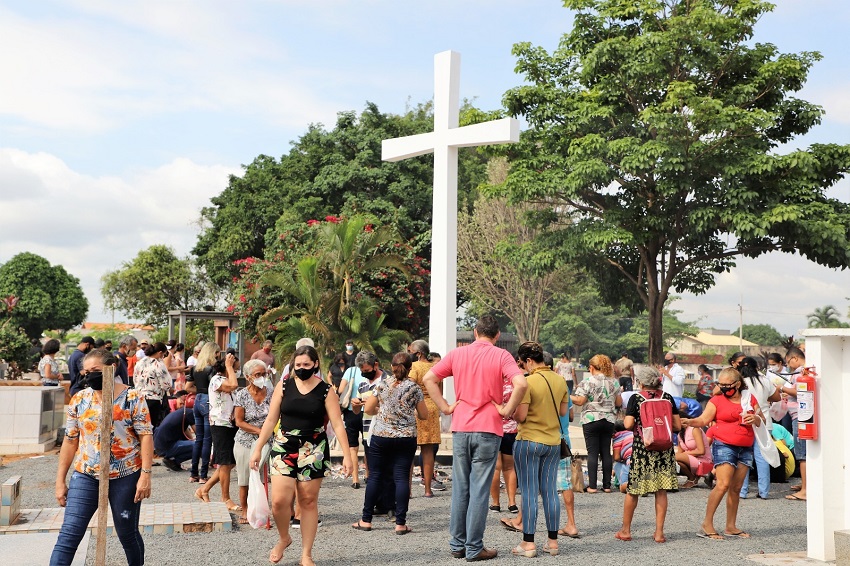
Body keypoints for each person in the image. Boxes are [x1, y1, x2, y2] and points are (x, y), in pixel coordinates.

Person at [422, 314, 527, 562]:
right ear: (497, 335)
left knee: (461, 487)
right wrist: (506, 409)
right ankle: (474, 547)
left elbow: (429, 379)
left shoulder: (457, 354)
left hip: (461, 426)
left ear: (475, 332)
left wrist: (445, 407)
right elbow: (521, 384)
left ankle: (457, 544)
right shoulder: (502, 355)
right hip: (489, 428)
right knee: (480, 490)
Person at [250, 345, 353, 566]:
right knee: (279, 501)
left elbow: (337, 424)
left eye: (306, 364)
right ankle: (284, 538)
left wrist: (347, 455)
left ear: (315, 364)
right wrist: (258, 448)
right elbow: (271, 419)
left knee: (308, 501)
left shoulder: (326, 390)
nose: (302, 368)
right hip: (284, 444)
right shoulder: (284, 385)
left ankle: (306, 554)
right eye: (298, 364)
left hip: (313, 447)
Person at [50, 349, 152, 566]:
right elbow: (70, 440)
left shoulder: (133, 398)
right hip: (86, 473)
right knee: (70, 533)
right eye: (86, 372)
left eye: (95, 370)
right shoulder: (80, 399)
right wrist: (60, 480)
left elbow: (145, 436)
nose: (90, 376)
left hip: (125, 473)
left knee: (127, 532)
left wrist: (145, 475)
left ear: (111, 368)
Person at [683, 367, 763, 540]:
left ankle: (731, 526)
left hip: (746, 446)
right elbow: (704, 419)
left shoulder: (749, 398)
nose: (724, 388)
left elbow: (761, 418)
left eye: (727, 385)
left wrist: (756, 419)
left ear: (738, 384)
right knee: (723, 484)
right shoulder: (716, 400)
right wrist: (690, 421)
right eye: (721, 384)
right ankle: (707, 524)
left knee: (736, 487)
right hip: (724, 444)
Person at [352, 352, 427, 534]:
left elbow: (368, 408)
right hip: (406, 437)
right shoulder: (414, 388)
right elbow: (424, 415)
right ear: (410, 368)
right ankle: (400, 524)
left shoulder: (382, 384)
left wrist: (383, 410)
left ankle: (366, 520)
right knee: (401, 478)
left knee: (375, 476)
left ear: (392, 366)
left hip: (381, 436)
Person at [507, 341, 568, 558]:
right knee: (550, 492)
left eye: (522, 363)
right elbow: (563, 412)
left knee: (529, 492)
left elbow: (521, 416)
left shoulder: (527, 382)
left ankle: (528, 543)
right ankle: (552, 542)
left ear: (529, 361)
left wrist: (511, 411)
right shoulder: (560, 380)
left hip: (529, 441)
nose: (522, 367)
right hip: (553, 443)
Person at [615, 366, 681, 543]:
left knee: (633, 490)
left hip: (643, 449)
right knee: (661, 491)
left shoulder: (636, 398)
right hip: (664, 449)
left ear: (641, 382)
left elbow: (628, 425)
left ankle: (626, 531)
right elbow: (677, 426)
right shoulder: (667, 397)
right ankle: (659, 533)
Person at [194, 352, 240, 512]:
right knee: (225, 463)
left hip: (230, 423)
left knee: (229, 462)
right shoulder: (217, 380)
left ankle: (204, 489)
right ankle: (225, 498)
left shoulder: (227, 379)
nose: (237, 371)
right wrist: (229, 366)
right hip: (220, 423)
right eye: (236, 368)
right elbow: (233, 386)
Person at [571, 354, 622, 493]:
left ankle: (592, 486)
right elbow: (619, 402)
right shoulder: (614, 382)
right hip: (609, 419)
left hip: (591, 419)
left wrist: (568, 396)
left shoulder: (588, 381)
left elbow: (580, 401)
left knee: (592, 452)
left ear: (592, 367)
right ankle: (607, 486)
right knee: (606, 451)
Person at [338, 351, 388, 489]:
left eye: (367, 370)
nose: (364, 374)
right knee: (372, 464)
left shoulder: (387, 381)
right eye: (362, 371)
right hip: (368, 431)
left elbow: (392, 408)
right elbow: (357, 411)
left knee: (384, 469)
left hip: (385, 430)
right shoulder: (362, 385)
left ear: (375, 365)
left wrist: (373, 406)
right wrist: (356, 405)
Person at [233, 359, 273, 524]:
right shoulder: (242, 394)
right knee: (244, 477)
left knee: (262, 476)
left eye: (264, 374)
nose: (262, 377)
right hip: (245, 439)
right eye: (258, 374)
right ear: (248, 377)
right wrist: (259, 431)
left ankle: (261, 509)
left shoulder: (271, 392)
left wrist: (265, 434)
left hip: (266, 440)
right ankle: (245, 509)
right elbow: (239, 421)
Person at [736, 357, 781, 499]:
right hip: (764, 422)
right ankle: (764, 492)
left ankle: (742, 491)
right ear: (756, 367)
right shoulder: (764, 380)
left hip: (745, 422)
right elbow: (777, 397)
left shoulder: (739, 382)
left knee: (744, 457)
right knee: (762, 457)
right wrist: (765, 399)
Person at [408, 339, 444, 497]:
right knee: (428, 450)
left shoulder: (414, 367)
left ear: (418, 353)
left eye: (411, 352)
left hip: (416, 407)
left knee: (409, 450)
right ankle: (428, 490)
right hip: (432, 408)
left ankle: (408, 490)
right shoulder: (436, 368)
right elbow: (440, 392)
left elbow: (409, 388)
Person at [186, 342, 221, 483]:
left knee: (198, 439)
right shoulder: (211, 369)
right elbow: (215, 387)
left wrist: (200, 391)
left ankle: (193, 473)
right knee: (207, 439)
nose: (218, 356)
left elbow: (187, 387)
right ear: (213, 353)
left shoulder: (195, 368)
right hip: (207, 401)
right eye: (217, 353)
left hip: (197, 400)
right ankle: (203, 475)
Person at [489, 362, 518, 513]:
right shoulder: (514, 386)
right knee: (509, 467)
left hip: (492, 429)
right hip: (511, 430)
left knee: (495, 468)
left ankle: (495, 503)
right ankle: (512, 503)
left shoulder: (490, 385)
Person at [783, 347, 808, 501]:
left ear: (795, 358)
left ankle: (805, 490)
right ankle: (806, 484)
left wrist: (781, 388)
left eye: (788, 362)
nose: (788, 366)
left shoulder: (800, 373)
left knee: (802, 454)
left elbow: (800, 392)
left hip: (799, 416)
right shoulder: (805, 371)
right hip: (803, 415)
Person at [132, 342, 173, 428]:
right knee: (153, 426)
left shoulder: (139, 362)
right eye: (164, 354)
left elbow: (135, 379)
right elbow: (166, 384)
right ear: (160, 352)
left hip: (139, 398)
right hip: (154, 399)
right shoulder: (159, 364)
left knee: (142, 426)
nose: (163, 357)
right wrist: (170, 389)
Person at [153, 392, 195, 471]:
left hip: (159, 446)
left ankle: (172, 460)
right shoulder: (189, 412)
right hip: (167, 447)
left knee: (195, 444)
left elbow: (186, 432)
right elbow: (199, 434)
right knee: (199, 446)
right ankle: (174, 461)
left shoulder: (180, 413)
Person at [675, 424, 712, 489]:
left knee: (673, 457)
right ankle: (692, 478)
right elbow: (680, 452)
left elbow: (701, 451)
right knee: (677, 460)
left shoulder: (694, 429)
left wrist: (685, 454)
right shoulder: (680, 434)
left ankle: (693, 479)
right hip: (691, 458)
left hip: (703, 460)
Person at [612, 421, 633, 493]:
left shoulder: (618, 436)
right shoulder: (633, 433)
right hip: (645, 459)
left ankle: (635, 486)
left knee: (622, 487)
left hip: (630, 460)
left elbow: (616, 457)